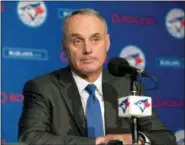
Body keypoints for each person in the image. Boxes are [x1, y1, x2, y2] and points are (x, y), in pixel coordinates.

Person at [18, 8, 177, 145]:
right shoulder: (43, 87)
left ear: (107, 42)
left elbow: (165, 138)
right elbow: (30, 138)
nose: (88, 49)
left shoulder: (128, 87)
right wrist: (96, 143)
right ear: (64, 46)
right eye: (77, 41)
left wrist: (136, 139)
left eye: (95, 39)